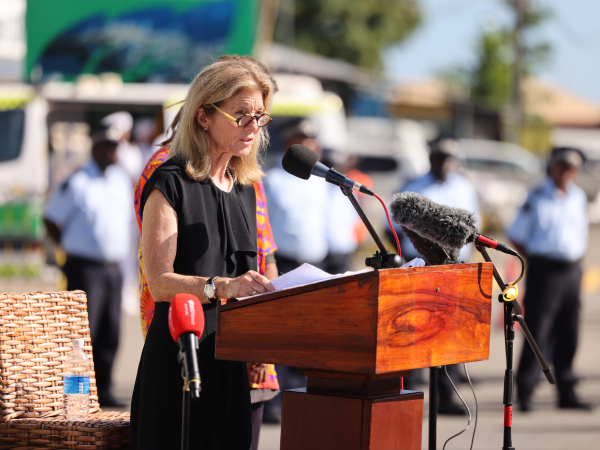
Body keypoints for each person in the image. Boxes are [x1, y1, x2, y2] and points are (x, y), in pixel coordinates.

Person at [130, 55, 279, 450]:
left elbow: (261, 270)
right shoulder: (169, 182)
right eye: (240, 114)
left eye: (259, 116)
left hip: (231, 365)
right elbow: (160, 282)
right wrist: (222, 287)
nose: (253, 126)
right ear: (203, 117)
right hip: (181, 362)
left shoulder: (245, 188)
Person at [386, 135, 480, 415]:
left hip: (455, 271)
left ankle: (447, 395)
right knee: (415, 330)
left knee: (450, 333)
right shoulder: (412, 187)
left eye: (448, 158)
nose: (443, 163)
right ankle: (410, 395)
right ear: (430, 158)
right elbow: (387, 226)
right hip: (420, 268)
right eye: (438, 157)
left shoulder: (464, 187)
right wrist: (411, 255)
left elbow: (475, 230)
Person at [44, 127, 132, 407]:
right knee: (82, 335)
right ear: (94, 149)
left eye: (114, 147)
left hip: (113, 268)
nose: (111, 152)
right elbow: (50, 219)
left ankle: (102, 391)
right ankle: (77, 394)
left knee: (111, 332)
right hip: (84, 267)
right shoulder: (78, 181)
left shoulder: (120, 179)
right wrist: (68, 249)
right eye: (105, 147)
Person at [507, 147, 593, 412]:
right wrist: (535, 258)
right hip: (545, 269)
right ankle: (526, 390)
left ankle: (566, 390)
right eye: (563, 166)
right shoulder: (536, 196)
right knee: (538, 331)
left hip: (572, 269)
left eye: (573, 168)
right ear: (552, 166)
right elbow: (516, 234)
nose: (568, 172)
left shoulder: (577, 195)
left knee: (570, 331)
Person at [263, 118, 330, 274]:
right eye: (302, 143)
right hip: (282, 262)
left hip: (318, 262)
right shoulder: (271, 178)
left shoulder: (320, 179)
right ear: (289, 144)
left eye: (311, 142)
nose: (309, 147)